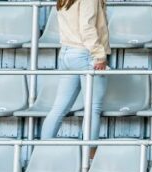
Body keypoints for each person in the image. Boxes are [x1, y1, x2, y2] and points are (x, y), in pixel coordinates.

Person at [40, 0, 109, 154]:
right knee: (93, 108)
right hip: (85, 53)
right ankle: (88, 157)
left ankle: (41, 152)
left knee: (59, 108)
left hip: (66, 53)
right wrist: (99, 55)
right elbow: (87, 27)